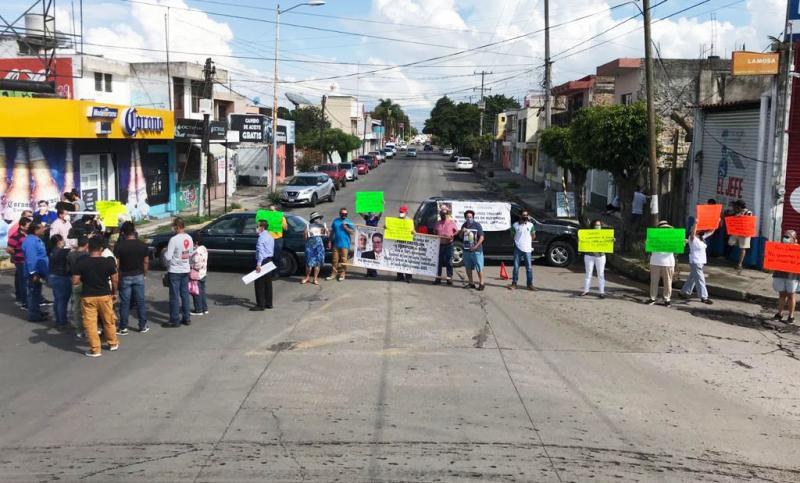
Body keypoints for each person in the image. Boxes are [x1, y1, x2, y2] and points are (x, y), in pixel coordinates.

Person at [73, 236, 119, 357]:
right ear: (101, 248)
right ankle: (113, 343)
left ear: (88, 248)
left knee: (91, 323)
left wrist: (84, 279)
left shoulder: (81, 263)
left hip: (88, 296)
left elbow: (75, 281)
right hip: (104, 295)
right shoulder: (108, 262)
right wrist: (114, 292)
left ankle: (95, 349)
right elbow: (115, 279)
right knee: (108, 320)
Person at [114, 221, 150, 334]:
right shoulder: (142, 245)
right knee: (140, 301)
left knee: (125, 302)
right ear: (134, 231)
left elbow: (117, 264)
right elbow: (146, 262)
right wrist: (145, 274)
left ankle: (123, 327)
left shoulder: (119, 246)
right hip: (139, 275)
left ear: (123, 233)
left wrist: (117, 276)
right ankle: (142, 326)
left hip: (125, 276)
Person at [163, 217, 193, 327]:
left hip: (175, 270)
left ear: (177, 227)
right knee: (185, 294)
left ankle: (175, 320)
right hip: (185, 269)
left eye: (174, 226)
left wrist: (165, 252)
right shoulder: (189, 238)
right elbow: (190, 253)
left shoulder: (173, 240)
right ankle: (187, 318)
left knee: (174, 296)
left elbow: (168, 256)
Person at [679, 224, 714, 305]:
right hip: (695, 261)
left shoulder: (701, 238)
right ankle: (704, 297)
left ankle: (683, 292)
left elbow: (711, 231)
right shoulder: (692, 238)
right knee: (700, 279)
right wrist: (696, 223)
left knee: (693, 278)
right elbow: (692, 233)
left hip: (701, 261)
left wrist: (716, 222)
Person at [22, 222, 49, 321]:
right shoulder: (30, 242)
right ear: (35, 230)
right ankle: (33, 315)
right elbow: (31, 258)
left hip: (39, 270)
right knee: (33, 293)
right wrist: (34, 273)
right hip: (34, 272)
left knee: (37, 293)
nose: (43, 229)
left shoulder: (36, 240)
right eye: (41, 228)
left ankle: (36, 311)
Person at [647, 220, 676, 307]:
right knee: (654, 282)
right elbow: (648, 247)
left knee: (668, 282)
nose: (664, 230)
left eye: (666, 228)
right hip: (655, 261)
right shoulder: (653, 236)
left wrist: (681, 243)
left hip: (668, 262)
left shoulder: (673, 237)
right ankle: (653, 298)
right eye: (663, 228)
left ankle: (667, 299)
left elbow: (677, 248)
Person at [771, 230, 798, 324]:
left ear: (794, 239)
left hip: (792, 276)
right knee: (781, 294)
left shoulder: (797, 249)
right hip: (780, 274)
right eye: (785, 236)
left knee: (791, 295)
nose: (785, 238)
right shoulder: (778, 247)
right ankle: (779, 314)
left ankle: (791, 316)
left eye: (788, 237)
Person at [48, 234, 72, 330]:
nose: (64, 241)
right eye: (62, 240)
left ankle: (58, 320)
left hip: (53, 277)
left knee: (57, 300)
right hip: (62, 277)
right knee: (62, 301)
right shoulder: (63, 252)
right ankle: (62, 322)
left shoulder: (52, 252)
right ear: (59, 242)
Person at [67, 237, 90, 337]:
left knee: (77, 307)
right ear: (86, 245)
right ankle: (90, 328)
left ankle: (79, 330)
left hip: (75, 282)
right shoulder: (87, 256)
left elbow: (67, 269)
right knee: (89, 307)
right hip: (86, 282)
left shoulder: (71, 255)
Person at [580, 219, 609, 298]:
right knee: (588, 274)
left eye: (599, 225)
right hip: (589, 256)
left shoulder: (605, 234)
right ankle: (586, 290)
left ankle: (601, 292)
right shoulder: (588, 234)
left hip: (600, 256)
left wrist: (612, 240)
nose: (597, 226)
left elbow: (609, 241)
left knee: (601, 274)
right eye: (596, 225)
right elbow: (582, 241)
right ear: (593, 226)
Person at [509, 209, 536, 291]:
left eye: (526, 215)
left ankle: (530, 284)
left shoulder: (531, 225)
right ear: (520, 216)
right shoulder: (515, 225)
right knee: (516, 267)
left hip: (527, 249)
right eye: (523, 215)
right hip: (518, 248)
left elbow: (533, 236)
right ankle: (514, 283)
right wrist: (518, 241)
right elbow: (512, 236)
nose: (525, 217)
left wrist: (528, 239)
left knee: (529, 268)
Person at [7, 216, 30, 309]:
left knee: (27, 282)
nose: (29, 227)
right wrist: (17, 253)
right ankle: (23, 301)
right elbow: (9, 249)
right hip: (21, 261)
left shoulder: (28, 234)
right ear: (22, 226)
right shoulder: (16, 236)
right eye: (28, 225)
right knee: (23, 282)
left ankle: (27, 300)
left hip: (28, 261)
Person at [459, 210, 485, 291]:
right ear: (465, 218)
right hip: (466, 250)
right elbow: (460, 237)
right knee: (468, 268)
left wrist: (476, 246)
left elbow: (482, 237)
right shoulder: (464, 225)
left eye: (470, 217)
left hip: (476, 250)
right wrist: (461, 231)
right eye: (467, 217)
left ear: (473, 217)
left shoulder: (477, 225)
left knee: (478, 268)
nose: (469, 218)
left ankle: (481, 283)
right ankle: (471, 283)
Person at [251, 220, 274, 311]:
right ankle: (269, 303)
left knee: (259, 284)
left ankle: (261, 305)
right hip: (269, 260)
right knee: (268, 283)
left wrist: (258, 264)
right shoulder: (269, 236)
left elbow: (261, 252)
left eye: (257, 226)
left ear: (262, 227)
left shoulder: (261, 238)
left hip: (263, 261)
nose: (256, 228)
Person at [327, 207, 354, 281]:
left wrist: (346, 228)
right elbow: (332, 232)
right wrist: (329, 241)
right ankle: (333, 274)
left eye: (345, 214)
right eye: (342, 213)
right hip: (336, 244)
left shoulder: (349, 222)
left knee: (344, 260)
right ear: (340, 214)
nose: (344, 215)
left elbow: (352, 232)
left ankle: (342, 274)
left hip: (345, 244)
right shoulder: (336, 221)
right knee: (335, 260)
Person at [433, 208, 458, 285]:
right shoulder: (437, 223)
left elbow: (457, 231)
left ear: (447, 214)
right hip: (440, 245)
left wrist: (452, 235)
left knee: (449, 262)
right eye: (441, 214)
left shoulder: (451, 222)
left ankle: (449, 278)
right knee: (439, 262)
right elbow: (435, 231)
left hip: (449, 245)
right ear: (440, 215)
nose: (443, 216)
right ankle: (438, 278)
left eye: (444, 214)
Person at [727, 200, 753, 272]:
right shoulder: (736, 212)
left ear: (739, 206)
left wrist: (740, 216)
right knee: (730, 242)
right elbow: (729, 214)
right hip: (736, 231)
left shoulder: (748, 212)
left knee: (743, 248)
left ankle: (740, 264)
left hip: (745, 233)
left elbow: (749, 221)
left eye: (736, 206)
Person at [302, 212, 327, 285]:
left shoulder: (321, 226)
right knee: (309, 264)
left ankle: (315, 278)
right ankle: (307, 277)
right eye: (318, 218)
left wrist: (326, 231)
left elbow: (325, 236)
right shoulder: (308, 226)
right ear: (314, 219)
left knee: (317, 263)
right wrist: (306, 232)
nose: (319, 219)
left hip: (319, 246)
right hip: (310, 247)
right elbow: (305, 238)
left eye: (319, 218)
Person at [393, 205, 413, 282]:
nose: (401, 213)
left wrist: (413, 232)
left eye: (402, 212)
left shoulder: (409, 220)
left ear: (406, 212)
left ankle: (409, 277)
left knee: (407, 260)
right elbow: (392, 228)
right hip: (398, 242)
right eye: (400, 212)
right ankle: (400, 276)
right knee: (398, 259)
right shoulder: (396, 220)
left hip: (407, 243)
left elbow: (413, 231)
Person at [267, 204, 288, 277]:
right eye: (270, 210)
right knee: (268, 257)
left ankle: (276, 273)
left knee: (276, 256)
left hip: (277, 239)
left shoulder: (281, 217)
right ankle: (269, 273)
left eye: (272, 210)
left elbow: (285, 228)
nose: (271, 212)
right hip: (268, 239)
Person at [190, 238, 209, 316]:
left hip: (196, 273)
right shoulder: (204, 249)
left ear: (196, 243)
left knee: (196, 291)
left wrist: (191, 266)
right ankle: (205, 308)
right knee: (202, 291)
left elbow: (196, 262)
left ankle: (199, 310)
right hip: (203, 272)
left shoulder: (197, 251)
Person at [360, 212, 382, 278]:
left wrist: (382, 206)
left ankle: (374, 272)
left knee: (373, 256)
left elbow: (380, 214)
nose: (371, 213)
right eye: (370, 212)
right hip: (368, 239)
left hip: (374, 240)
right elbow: (360, 213)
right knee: (367, 256)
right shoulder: (366, 217)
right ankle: (368, 272)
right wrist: (358, 204)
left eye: (372, 212)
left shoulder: (376, 218)